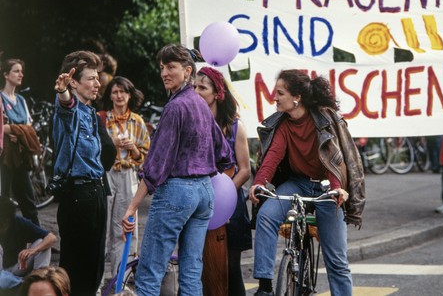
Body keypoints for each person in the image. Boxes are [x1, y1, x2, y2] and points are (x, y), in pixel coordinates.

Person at [121, 44, 234, 296]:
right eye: (162, 67)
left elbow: (155, 165)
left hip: (177, 191)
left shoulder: (175, 107)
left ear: (187, 71)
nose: (164, 73)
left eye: (171, 67)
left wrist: (131, 207)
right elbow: (224, 154)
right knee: (192, 273)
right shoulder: (201, 104)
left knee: (150, 272)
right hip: (204, 193)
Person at [248, 69, 365, 296]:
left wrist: (336, 188)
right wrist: (259, 183)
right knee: (265, 215)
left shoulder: (325, 120)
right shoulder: (282, 124)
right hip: (297, 183)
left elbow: (335, 158)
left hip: (326, 188)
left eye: (280, 93)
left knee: (337, 260)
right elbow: (272, 156)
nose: (274, 97)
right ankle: (264, 286)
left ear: (297, 97)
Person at [52, 50, 107, 296]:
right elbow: (66, 106)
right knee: (76, 267)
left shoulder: (91, 112)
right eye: (91, 78)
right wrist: (63, 92)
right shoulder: (69, 106)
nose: (98, 83)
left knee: (95, 264)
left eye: (98, 78)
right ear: (74, 81)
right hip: (77, 194)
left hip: (95, 190)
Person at [194, 66, 252, 296]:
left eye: (202, 87)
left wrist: (223, 194)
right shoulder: (192, 121)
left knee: (231, 268)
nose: (196, 92)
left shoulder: (236, 127)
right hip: (199, 203)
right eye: (194, 87)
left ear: (217, 93)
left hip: (229, 205)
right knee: (200, 268)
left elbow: (245, 169)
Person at [98, 77, 150, 281]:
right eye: (115, 92)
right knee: (102, 227)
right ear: (109, 95)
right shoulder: (101, 118)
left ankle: (122, 280)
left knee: (127, 227)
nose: (119, 96)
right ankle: (98, 281)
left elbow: (145, 157)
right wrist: (112, 142)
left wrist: (133, 149)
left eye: (123, 92)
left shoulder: (137, 121)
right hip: (106, 173)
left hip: (129, 176)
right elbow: (93, 149)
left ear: (130, 95)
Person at [1, 58, 41, 226]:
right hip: (4, 157)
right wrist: (20, 130)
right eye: (16, 71)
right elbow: (2, 128)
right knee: (3, 199)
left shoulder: (22, 101)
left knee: (28, 201)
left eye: (21, 71)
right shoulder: (1, 98)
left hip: (20, 156)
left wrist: (16, 131)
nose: (20, 74)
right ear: (5, 74)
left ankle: (38, 239)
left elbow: (29, 129)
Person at [0, 196, 56, 280]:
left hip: (17, 267)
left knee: (42, 243)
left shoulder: (18, 222)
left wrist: (33, 250)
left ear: (9, 219)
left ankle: (38, 280)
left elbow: (51, 238)